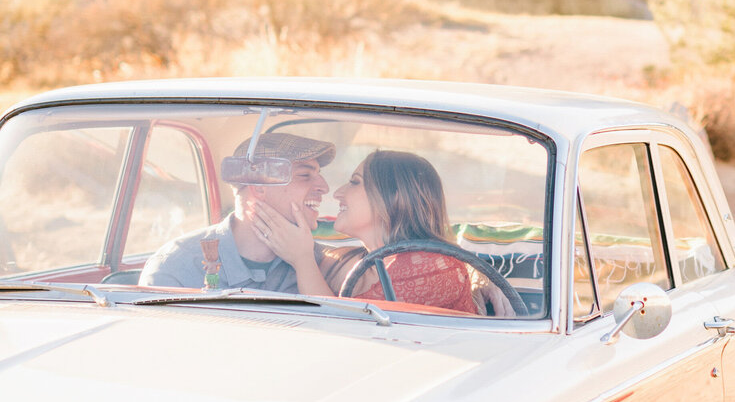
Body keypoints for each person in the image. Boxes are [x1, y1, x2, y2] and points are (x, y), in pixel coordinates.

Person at [256, 149, 480, 313]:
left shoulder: (437, 268)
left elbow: (347, 329)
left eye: (355, 182)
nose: (338, 193)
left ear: (394, 197)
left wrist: (302, 261)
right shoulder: (349, 259)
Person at [139, 132, 335, 293]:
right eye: (305, 175)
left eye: (319, 176)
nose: (324, 187)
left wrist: (305, 263)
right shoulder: (176, 269)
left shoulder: (321, 265)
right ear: (260, 186)